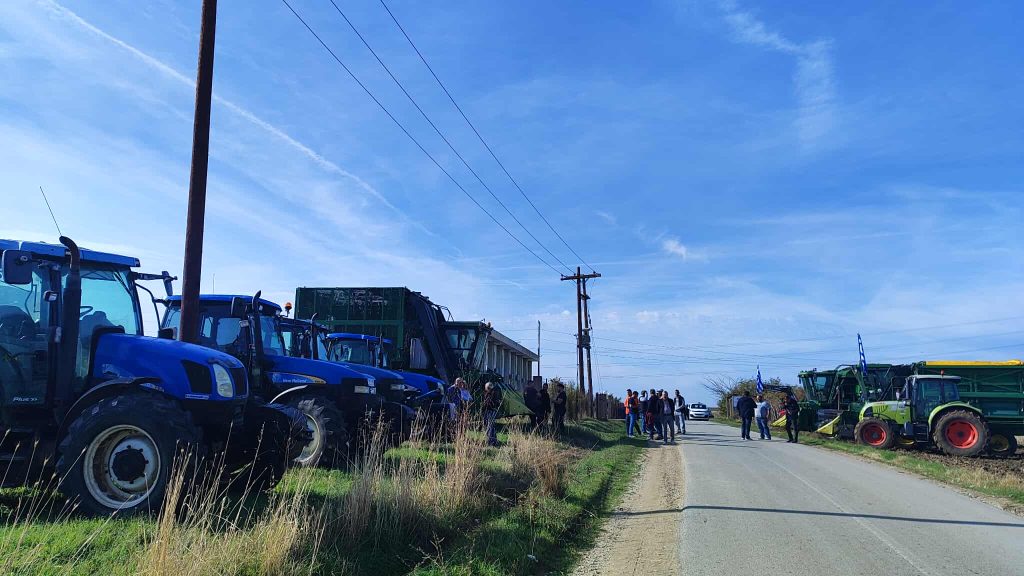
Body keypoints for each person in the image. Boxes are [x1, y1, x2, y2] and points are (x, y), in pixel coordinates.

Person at [482, 381, 502, 446]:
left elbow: (489, 403)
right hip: (492, 410)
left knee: (490, 426)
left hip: (490, 410)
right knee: (491, 426)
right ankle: (493, 440)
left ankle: (490, 441)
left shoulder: (491, 393)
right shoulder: (494, 392)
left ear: (487, 388)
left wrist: (484, 406)